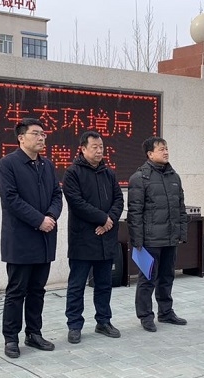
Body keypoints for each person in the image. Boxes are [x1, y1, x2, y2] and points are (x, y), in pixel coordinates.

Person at [0, 118, 62, 358]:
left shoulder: (47, 165)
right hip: (21, 240)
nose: (42, 138)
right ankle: (11, 338)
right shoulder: (8, 164)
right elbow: (11, 199)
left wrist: (51, 216)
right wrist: (39, 220)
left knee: (37, 290)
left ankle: (34, 333)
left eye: (43, 134)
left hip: (45, 239)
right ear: (21, 138)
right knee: (16, 291)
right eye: (36, 133)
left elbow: (57, 194)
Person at [63, 130, 124, 344]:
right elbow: (76, 202)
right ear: (83, 149)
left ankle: (103, 321)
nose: (99, 151)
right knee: (77, 285)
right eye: (94, 147)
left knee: (104, 284)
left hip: (106, 238)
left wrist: (109, 221)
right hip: (82, 239)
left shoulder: (109, 173)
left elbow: (119, 200)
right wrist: (102, 218)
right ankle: (74, 325)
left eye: (101, 147)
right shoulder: (73, 173)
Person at [127, 137, 188, 333]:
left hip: (170, 238)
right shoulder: (139, 178)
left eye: (167, 148)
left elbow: (181, 208)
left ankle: (166, 312)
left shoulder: (174, 176)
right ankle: (145, 315)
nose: (166, 152)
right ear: (150, 154)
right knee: (147, 279)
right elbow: (134, 213)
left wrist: (181, 233)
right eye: (161, 149)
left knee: (167, 277)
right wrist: (137, 241)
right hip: (149, 240)